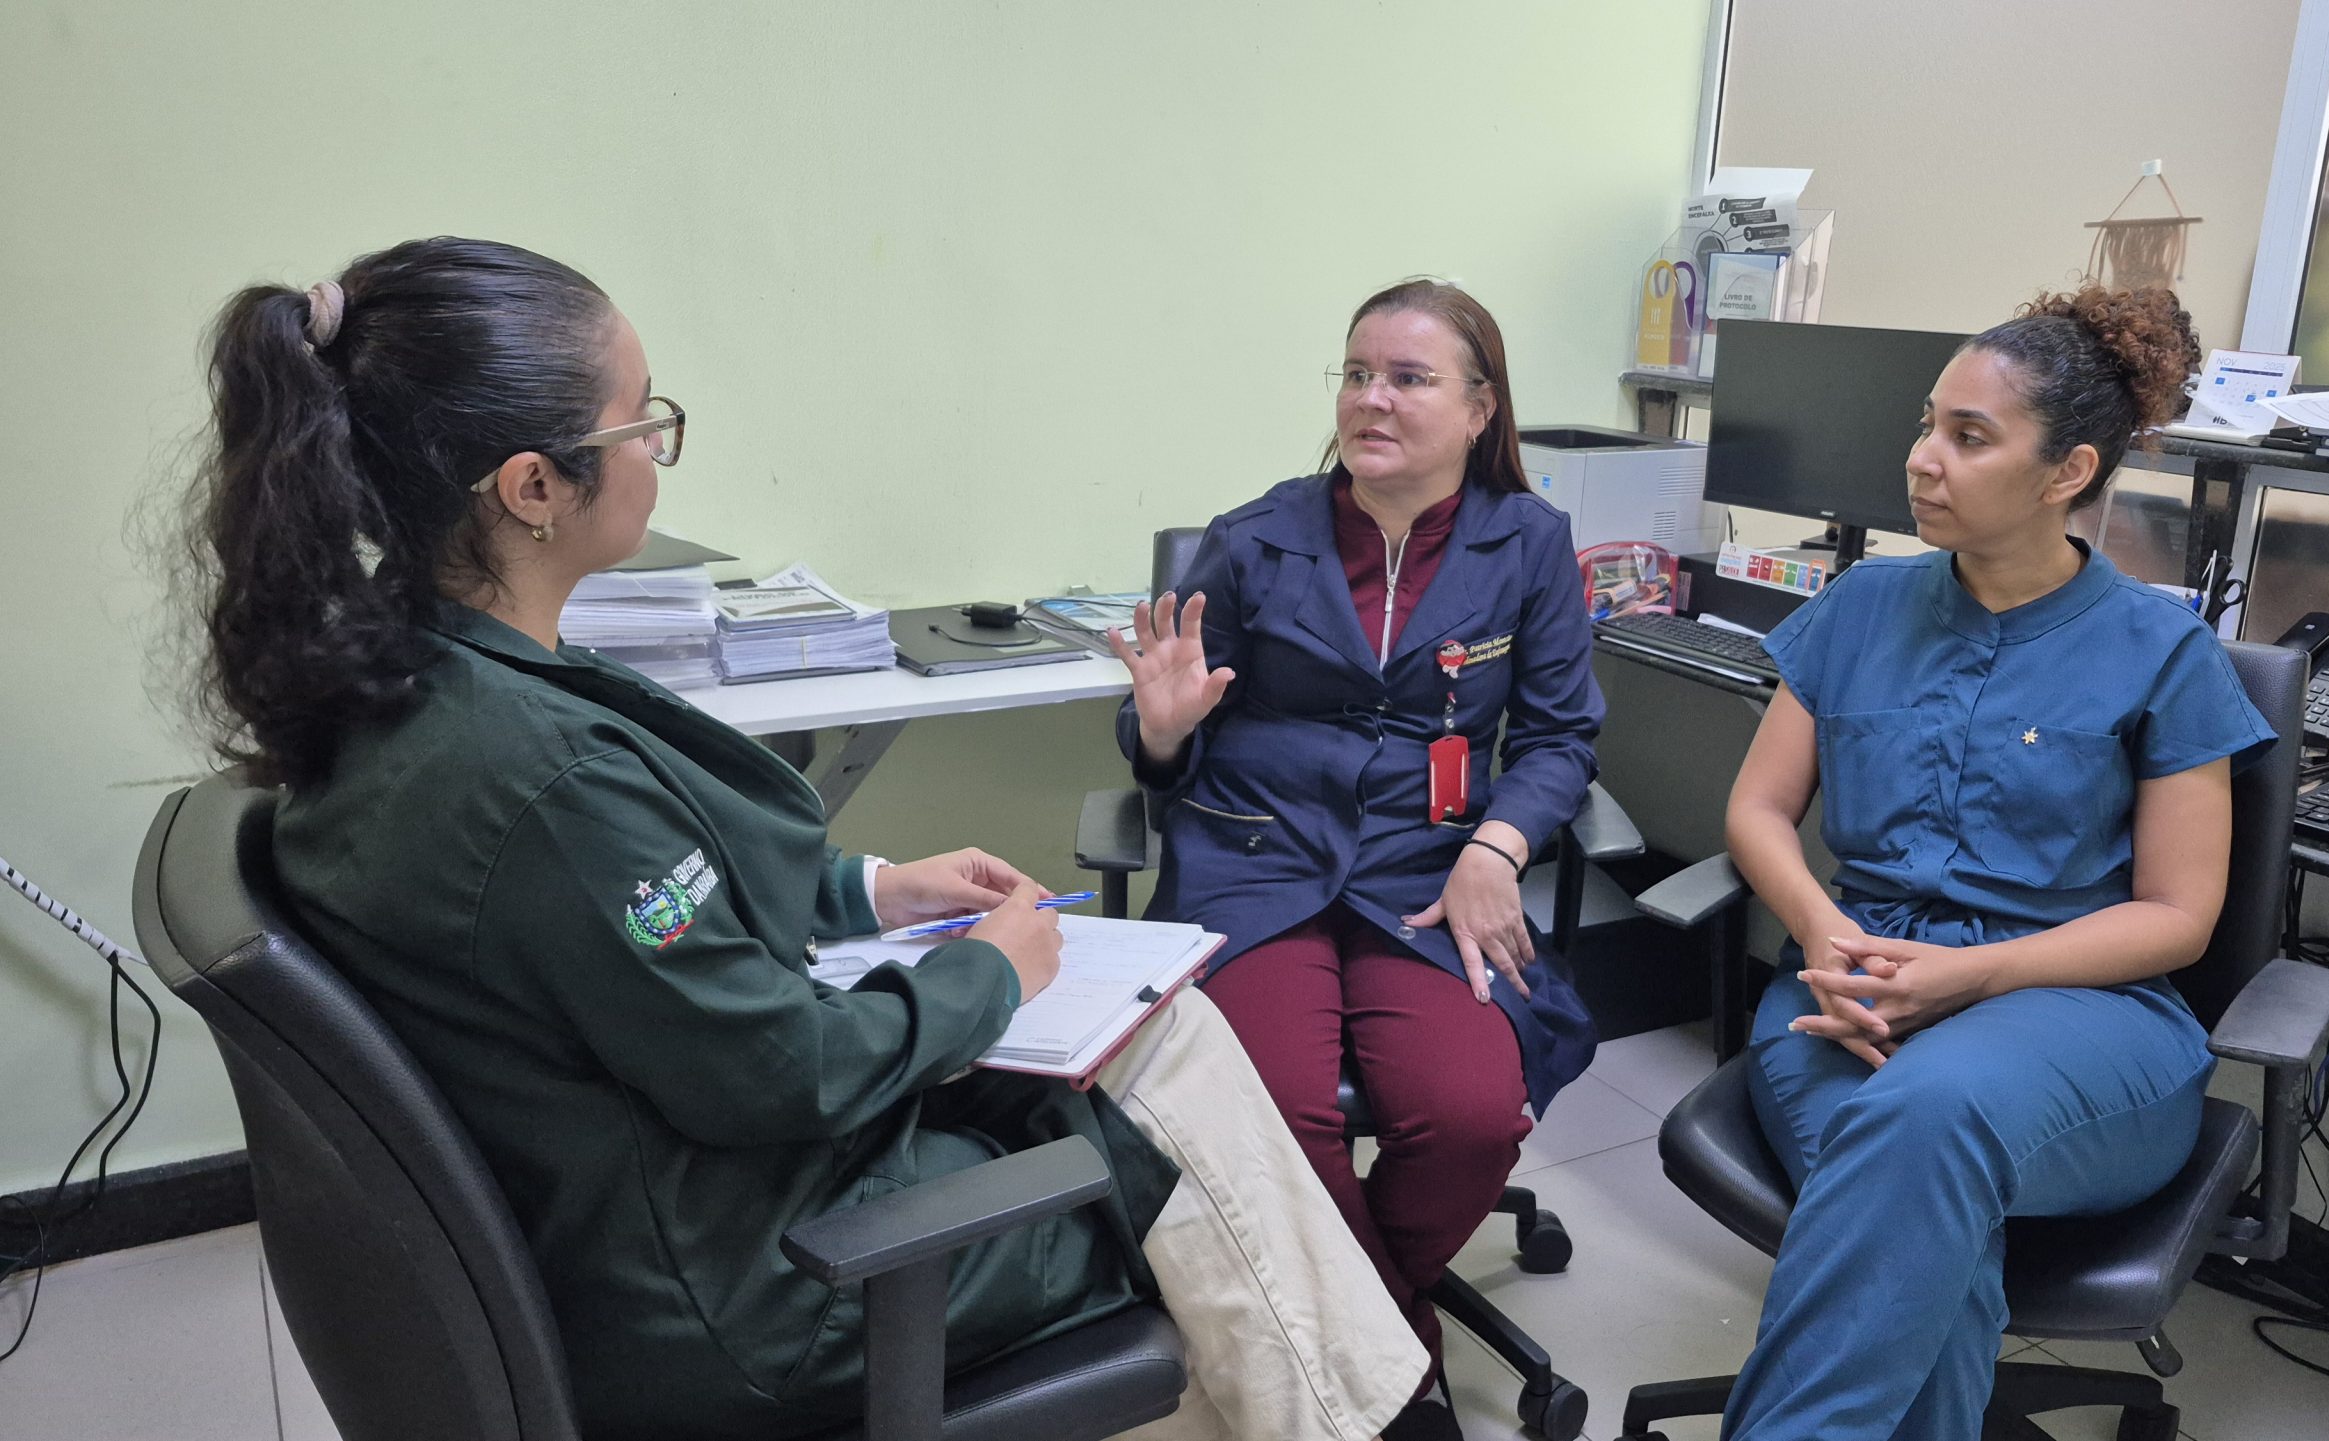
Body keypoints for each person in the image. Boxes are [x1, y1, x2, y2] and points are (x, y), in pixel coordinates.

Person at [178, 236, 1426, 1441]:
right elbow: (779, 1067)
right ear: (533, 487)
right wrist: (987, 970)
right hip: (755, 1292)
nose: (658, 453)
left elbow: (615, 930)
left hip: (644, 1205)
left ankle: (1341, 1402)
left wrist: (869, 890)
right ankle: (1360, 1413)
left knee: (1165, 1065)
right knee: (1179, 1170)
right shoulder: (536, 777)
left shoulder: (409, 678)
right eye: (640, 424)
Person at [1715, 285, 2276, 1439]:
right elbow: (1758, 814)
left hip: (2078, 1014)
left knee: (1926, 1121)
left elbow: (2179, 916)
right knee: (1927, 1229)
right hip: (1847, 989)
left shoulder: (2158, 651)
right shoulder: (1859, 605)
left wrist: (1971, 977)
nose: (1922, 458)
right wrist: (1826, 937)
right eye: (1928, 423)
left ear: (2067, 470)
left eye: (1967, 437)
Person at [1109, 279, 1604, 1432]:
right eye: (1354, 372)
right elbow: (1156, 742)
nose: (1369, 399)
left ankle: (1351, 1332)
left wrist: (1498, 838)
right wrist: (1166, 726)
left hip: (1427, 876)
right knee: (1283, 1111)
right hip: (1256, 861)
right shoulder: (1252, 539)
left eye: (1407, 378)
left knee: (1474, 1111)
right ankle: (1397, 1375)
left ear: (1480, 409)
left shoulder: (1526, 543)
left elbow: (1559, 733)